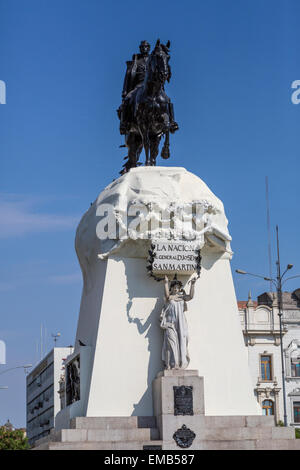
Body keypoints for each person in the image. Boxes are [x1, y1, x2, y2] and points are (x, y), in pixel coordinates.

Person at [160, 275, 197, 370]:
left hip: (181, 324)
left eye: (178, 287)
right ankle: (172, 364)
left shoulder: (182, 297)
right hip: (171, 324)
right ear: (171, 288)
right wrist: (165, 283)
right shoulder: (169, 298)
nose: (176, 289)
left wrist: (192, 285)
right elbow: (167, 295)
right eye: (174, 287)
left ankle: (180, 363)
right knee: (172, 344)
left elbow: (191, 296)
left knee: (182, 342)